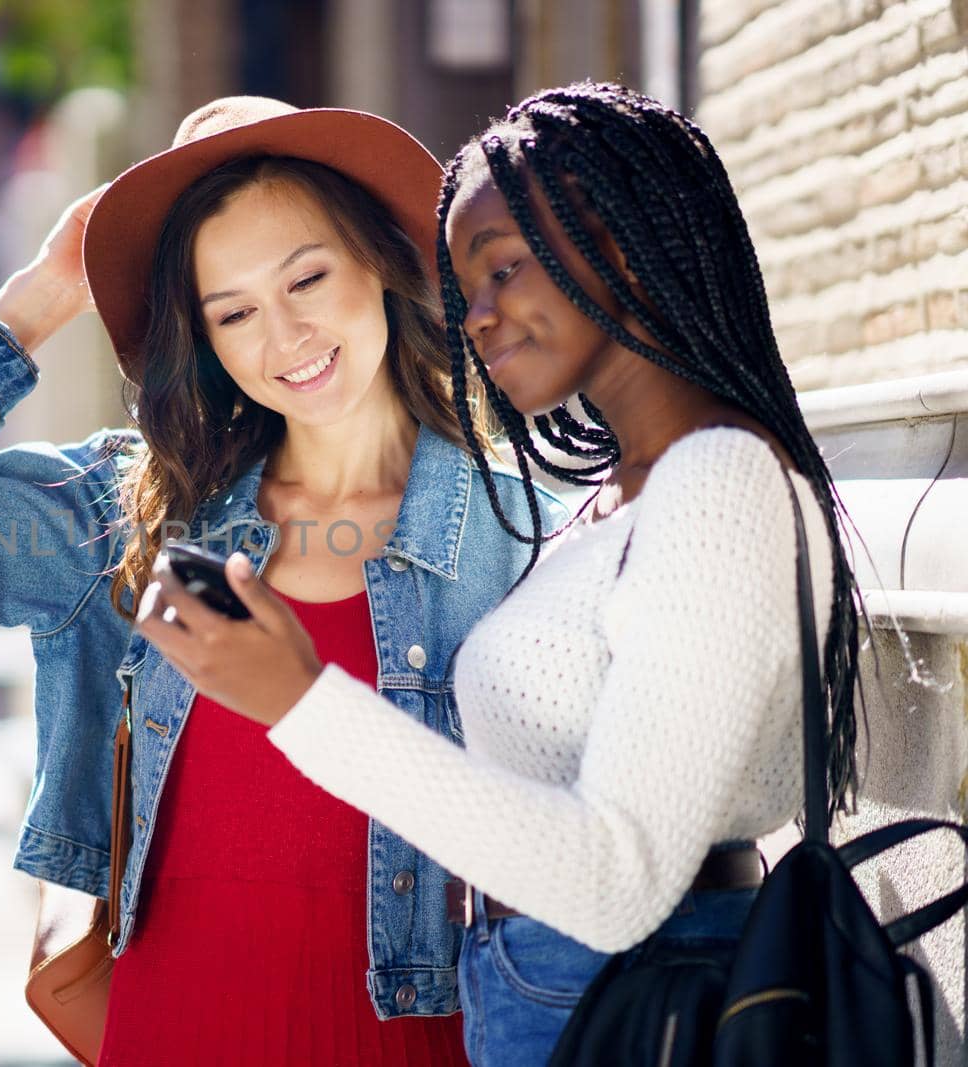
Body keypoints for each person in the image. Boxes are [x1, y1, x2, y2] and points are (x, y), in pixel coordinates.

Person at [0, 96, 560, 1065]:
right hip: (178, 1024)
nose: (282, 334)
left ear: (378, 261)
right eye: (232, 311)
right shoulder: (125, 520)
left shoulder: (521, 530)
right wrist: (39, 297)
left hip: (418, 1038)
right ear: (202, 342)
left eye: (307, 278)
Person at [133, 82, 861, 1067]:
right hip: (549, 987)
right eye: (464, 285)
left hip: (636, 996)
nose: (475, 316)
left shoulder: (719, 482)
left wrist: (299, 698)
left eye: (502, 270)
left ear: (616, 248)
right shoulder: (619, 494)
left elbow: (616, 878)